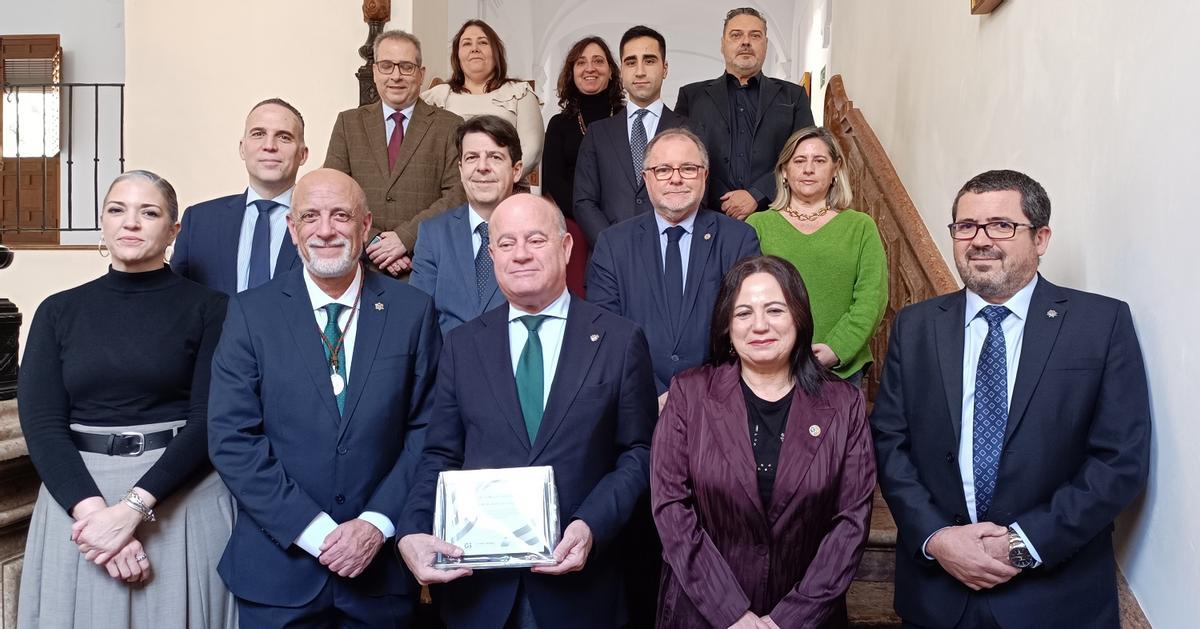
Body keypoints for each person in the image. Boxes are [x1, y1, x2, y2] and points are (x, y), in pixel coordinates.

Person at [870, 170, 1151, 628]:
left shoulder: (1101, 324)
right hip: (938, 596)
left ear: (1041, 239)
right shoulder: (915, 325)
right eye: (966, 226)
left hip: (1056, 597)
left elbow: (1119, 460)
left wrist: (1022, 544)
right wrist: (937, 537)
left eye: (1001, 225)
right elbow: (889, 441)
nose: (980, 240)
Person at [397, 193, 658, 629]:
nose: (520, 254)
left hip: (581, 591)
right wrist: (411, 530)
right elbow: (440, 454)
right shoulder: (462, 345)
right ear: (492, 254)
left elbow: (639, 452)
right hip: (479, 596)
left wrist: (591, 525)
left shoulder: (619, 340)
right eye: (506, 243)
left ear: (566, 247)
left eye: (536, 240)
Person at [207, 168, 441, 627]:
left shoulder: (412, 311)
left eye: (341, 215)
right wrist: (312, 531)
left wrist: (376, 523)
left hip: (381, 576)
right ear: (292, 228)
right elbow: (232, 438)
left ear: (365, 225)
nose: (326, 230)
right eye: (310, 216)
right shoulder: (251, 313)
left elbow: (429, 431)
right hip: (278, 572)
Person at [17, 170, 236, 627]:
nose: (130, 222)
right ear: (103, 222)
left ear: (173, 231)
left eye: (149, 212)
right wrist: (99, 518)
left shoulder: (213, 309)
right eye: (117, 210)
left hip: (178, 493)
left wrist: (134, 509)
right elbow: (41, 424)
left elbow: (209, 419)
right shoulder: (57, 311)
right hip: (79, 498)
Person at [652, 255, 876, 629]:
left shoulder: (844, 404)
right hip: (702, 613)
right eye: (743, 313)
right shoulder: (688, 395)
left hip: (806, 617)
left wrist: (788, 619)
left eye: (775, 310)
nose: (759, 325)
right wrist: (732, 614)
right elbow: (671, 509)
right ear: (727, 325)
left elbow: (850, 524)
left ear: (798, 317)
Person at [589, 126, 760, 403]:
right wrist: (650, 393)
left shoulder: (738, 240)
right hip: (636, 402)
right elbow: (606, 331)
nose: (676, 179)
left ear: (704, 176)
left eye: (688, 169)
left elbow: (749, 323)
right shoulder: (612, 244)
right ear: (646, 178)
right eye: (663, 170)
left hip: (718, 402)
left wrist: (696, 396)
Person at [747, 127, 888, 384]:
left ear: (835, 170)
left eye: (820, 161)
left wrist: (837, 348)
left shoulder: (860, 226)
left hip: (840, 371)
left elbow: (872, 297)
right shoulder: (758, 225)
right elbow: (745, 299)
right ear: (784, 171)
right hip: (771, 365)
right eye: (799, 161)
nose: (808, 169)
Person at [325, 29, 465, 277]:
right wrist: (374, 240)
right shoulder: (349, 123)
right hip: (359, 265)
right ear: (375, 71)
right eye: (387, 66)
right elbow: (333, 193)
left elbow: (457, 195)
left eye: (406, 67)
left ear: (421, 74)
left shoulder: (449, 125)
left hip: (423, 266)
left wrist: (406, 237)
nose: (396, 76)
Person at [675, 7, 815, 220]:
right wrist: (722, 198)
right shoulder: (691, 97)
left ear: (765, 44)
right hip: (707, 216)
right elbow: (681, 155)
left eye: (755, 35)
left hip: (776, 215)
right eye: (736, 35)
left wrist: (757, 194)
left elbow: (803, 155)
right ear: (722, 44)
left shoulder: (794, 96)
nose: (746, 42)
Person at [171, 98, 308, 294]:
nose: (269, 145)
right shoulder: (198, 221)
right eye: (258, 134)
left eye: (284, 137)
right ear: (242, 148)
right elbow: (176, 298)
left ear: (302, 154)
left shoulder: (324, 224)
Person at [574, 25, 691, 248]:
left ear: (665, 68)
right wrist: (614, 246)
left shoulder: (689, 131)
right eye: (630, 62)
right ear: (621, 71)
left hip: (672, 251)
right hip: (609, 257)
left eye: (649, 60)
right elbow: (584, 201)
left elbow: (696, 197)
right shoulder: (597, 133)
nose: (639, 71)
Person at [410, 115, 520, 333]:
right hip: (447, 354)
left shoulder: (537, 233)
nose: (482, 167)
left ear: (516, 170)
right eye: (472, 157)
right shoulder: (433, 233)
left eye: (495, 157)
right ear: (461, 170)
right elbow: (418, 319)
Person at [422, 19, 543, 181]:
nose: (474, 49)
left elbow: (532, 150)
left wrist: (497, 180)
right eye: (466, 44)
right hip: (450, 188)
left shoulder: (520, 93)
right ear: (457, 55)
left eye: (483, 42)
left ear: (496, 52)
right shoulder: (436, 97)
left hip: (507, 187)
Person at [541, 35, 623, 219]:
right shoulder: (558, 124)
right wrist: (589, 217)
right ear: (572, 73)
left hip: (622, 220)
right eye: (581, 62)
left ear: (611, 71)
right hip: (574, 219)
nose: (590, 68)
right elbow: (554, 180)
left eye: (598, 61)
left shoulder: (628, 118)